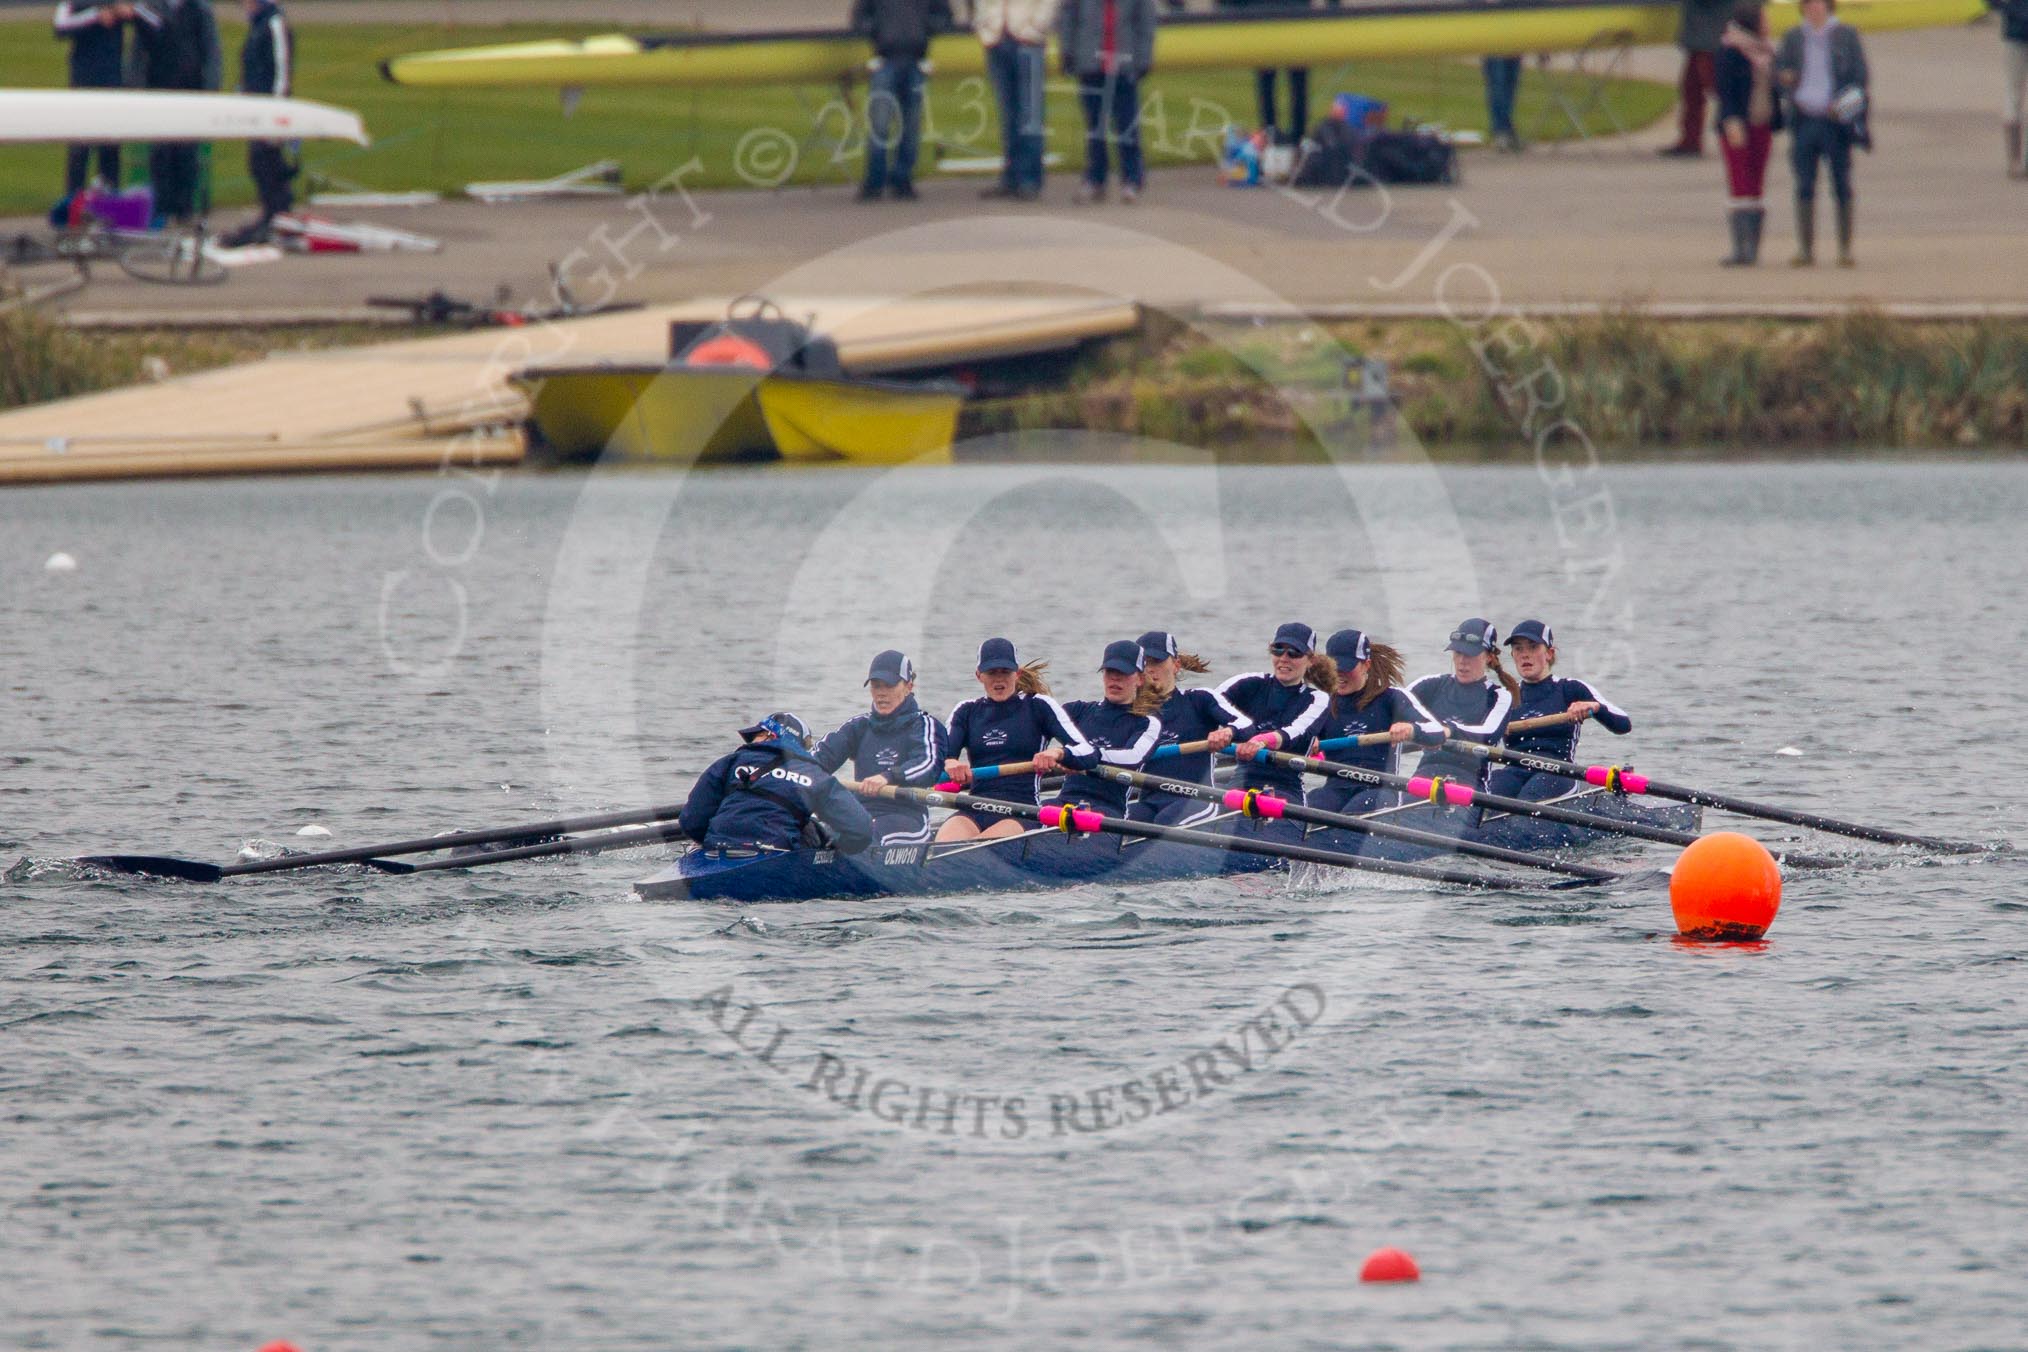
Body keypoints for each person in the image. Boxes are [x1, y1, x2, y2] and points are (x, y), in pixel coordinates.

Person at [940, 637, 1099, 840]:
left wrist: (1058, 753)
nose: (999, 679)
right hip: (975, 807)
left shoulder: (1039, 706)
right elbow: (938, 757)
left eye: (1005, 672)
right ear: (979, 675)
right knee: (943, 844)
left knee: (975, 851)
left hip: (1022, 811)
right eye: (991, 673)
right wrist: (949, 762)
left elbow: (1088, 752)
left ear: (1018, 673)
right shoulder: (966, 710)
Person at [678, 712, 877, 857]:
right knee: (814, 829)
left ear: (770, 735)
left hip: (716, 850)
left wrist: (717, 839)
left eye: (756, 735)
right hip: (775, 854)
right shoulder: (816, 775)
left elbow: (691, 820)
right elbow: (861, 829)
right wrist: (836, 853)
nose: (753, 740)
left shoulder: (729, 762)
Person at [811, 650, 950, 846]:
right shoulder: (859, 726)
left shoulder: (925, 725)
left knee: (865, 838)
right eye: (876, 686)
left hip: (906, 818)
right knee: (810, 833)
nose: (881, 693)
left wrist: (888, 777)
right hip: (860, 814)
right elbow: (818, 758)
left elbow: (927, 765)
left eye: (889, 685)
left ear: (909, 686)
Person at [1486, 619, 1634, 802]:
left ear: (1549, 653)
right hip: (1513, 770)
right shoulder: (1504, 697)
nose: (1525, 655)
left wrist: (1594, 707)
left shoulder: (1570, 689)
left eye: (1533, 647)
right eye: (1518, 649)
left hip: (1559, 771)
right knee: (1485, 795)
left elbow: (1624, 724)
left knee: (1530, 797)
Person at [1305, 628, 1444, 817]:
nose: (1339, 674)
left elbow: (1437, 731)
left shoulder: (1391, 698)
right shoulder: (1321, 703)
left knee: (1350, 818)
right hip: (1335, 789)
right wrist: (1305, 743)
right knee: (1308, 811)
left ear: (1366, 665)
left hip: (1380, 790)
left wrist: (1412, 728)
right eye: (1334, 667)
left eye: (1346, 667)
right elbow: (1293, 739)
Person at [1216, 622, 1335, 844]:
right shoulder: (1248, 683)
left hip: (1285, 790)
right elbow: (1205, 706)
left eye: (1294, 653)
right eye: (1278, 649)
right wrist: (1217, 733)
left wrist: (1263, 740)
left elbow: (1297, 732)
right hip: (1240, 783)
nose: (1284, 658)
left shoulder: (1317, 699)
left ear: (1310, 660)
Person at [1776, 0, 1868, 267]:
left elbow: (1860, 78)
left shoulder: (1846, 36)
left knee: (1841, 182)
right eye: (1809, 4)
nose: (1815, 8)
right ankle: (1805, 249)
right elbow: (1778, 73)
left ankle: (1845, 248)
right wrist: (1786, 82)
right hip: (1804, 120)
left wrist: (1842, 107)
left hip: (1834, 122)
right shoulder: (1793, 38)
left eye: (1819, 3)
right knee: (1804, 184)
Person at [1130, 630, 1248, 827]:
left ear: (1176, 665)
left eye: (1157, 662)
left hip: (1198, 799)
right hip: (1149, 802)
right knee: (1119, 820)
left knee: (1164, 822)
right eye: (1144, 664)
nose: (1150, 670)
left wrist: (1228, 732)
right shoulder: (1131, 713)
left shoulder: (1200, 699)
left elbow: (1245, 725)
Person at [1046, 640, 1165, 816]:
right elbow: (1032, 729)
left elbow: (1133, 757)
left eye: (1122, 673)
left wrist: (1080, 756)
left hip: (1108, 810)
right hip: (1065, 802)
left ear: (1139, 679)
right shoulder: (1078, 711)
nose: (1115, 678)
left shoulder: (1147, 723)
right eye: (1110, 672)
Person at [130, 0, 221, 225]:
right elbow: (138, 53)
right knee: (161, 152)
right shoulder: (151, 8)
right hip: (158, 90)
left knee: (187, 152)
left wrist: (210, 88)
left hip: (190, 91)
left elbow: (211, 51)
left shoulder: (199, 10)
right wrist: (136, 87)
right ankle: (162, 207)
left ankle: (185, 209)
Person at [851, 0, 952, 202]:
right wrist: (878, 31)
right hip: (886, 59)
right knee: (880, 124)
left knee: (910, 125)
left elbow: (945, 16)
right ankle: (875, 181)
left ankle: (902, 179)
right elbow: (859, 17)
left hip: (915, 61)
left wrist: (925, 28)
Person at [1060, 0, 1158, 204]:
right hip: (1090, 62)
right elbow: (1068, 16)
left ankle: (1132, 179)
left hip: (1123, 62)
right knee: (1095, 125)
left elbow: (1146, 21)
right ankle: (1095, 179)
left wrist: (1144, 59)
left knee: (1127, 124)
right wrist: (1067, 52)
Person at [1406, 618, 1517, 792]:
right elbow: (1390, 705)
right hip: (1424, 777)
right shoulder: (1431, 685)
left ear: (1488, 656)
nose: (1462, 661)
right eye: (1458, 653)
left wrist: (1449, 731)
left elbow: (1488, 734)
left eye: (1470, 655)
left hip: (1469, 784)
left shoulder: (1498, 696)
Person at [222, 0, 295, 247]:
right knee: (258, 163)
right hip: (255, 111)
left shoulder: (274, 24)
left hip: (270, 112)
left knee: (269, 162)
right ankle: (270, 214)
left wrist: (277, 112)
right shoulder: (258, 26)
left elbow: (281, 72)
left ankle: (278, 214)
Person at [1715, 0, 1782, 265]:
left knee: (1756, 183)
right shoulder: (1730, 50)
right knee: (1740, 182)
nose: (1769, 24)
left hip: (1761, 123)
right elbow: (1725, 89)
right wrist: (1730, 119)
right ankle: (1740, 248)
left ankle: (1754, 247)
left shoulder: (1766, 52)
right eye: (1765, 19)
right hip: (1738, 127)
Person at [975, 0, 1061, 201]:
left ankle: (1030, 179)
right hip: (997, 37)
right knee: (1008, 113)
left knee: (1030, 112)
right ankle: (1011, 176)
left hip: (1027, 37)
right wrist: (983, 25)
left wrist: (1037, 25)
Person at [54, 2, 139, 202]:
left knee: (110, 150)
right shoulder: (77, 3)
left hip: (112, 86)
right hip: (83, 86)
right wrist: (95, 16)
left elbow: (151, 21)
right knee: (79, 150)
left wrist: (128, 12)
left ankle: (109, 207)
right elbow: (60, 26)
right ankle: (73, 206)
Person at [1659, 0, 1733, 157]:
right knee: (1691, 91)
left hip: (1712, 39)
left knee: (1721, 90)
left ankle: (1743, 134)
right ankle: (1690, 140)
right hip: (1700, 39)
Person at [1993, 0, 2028, 176]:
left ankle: (2015, 161)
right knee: (2013, 96)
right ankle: (2015, 160)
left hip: (2014, 31)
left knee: (2013, 95)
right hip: (2015, 33)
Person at [1481, 55, 1523, 153]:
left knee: (1510, 87)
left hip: (1514, 48)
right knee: (1498, 86)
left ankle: (1506, 129)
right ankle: (1501, 131)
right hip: (1495, 49)